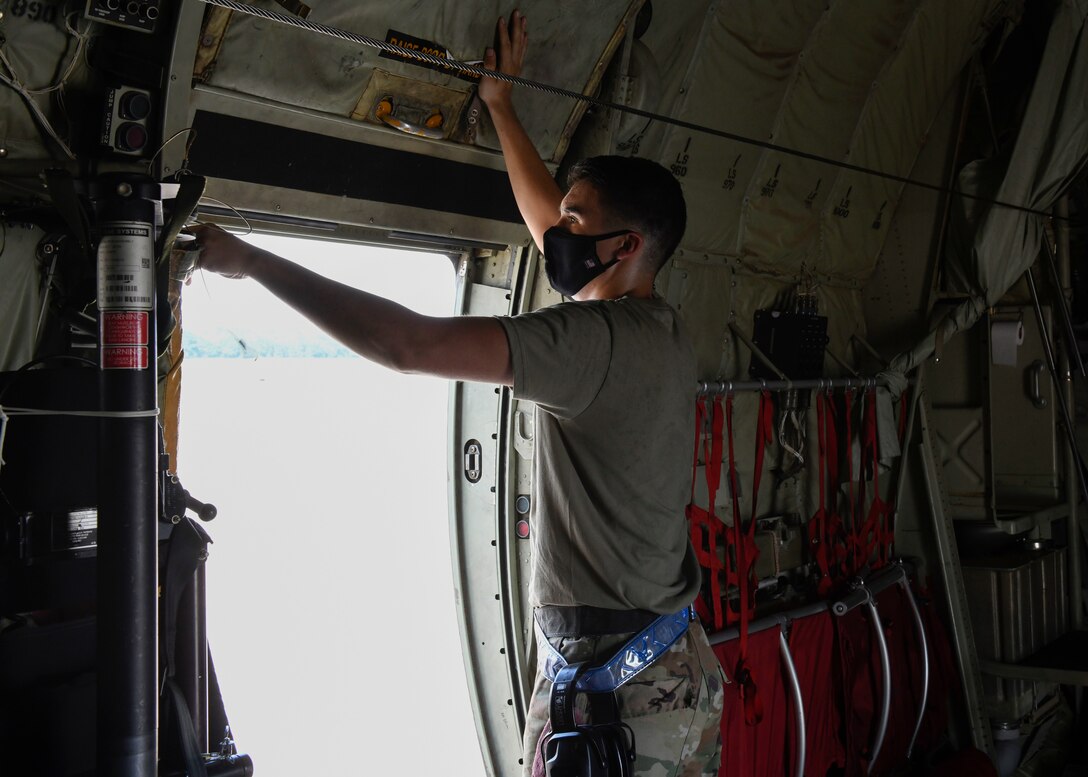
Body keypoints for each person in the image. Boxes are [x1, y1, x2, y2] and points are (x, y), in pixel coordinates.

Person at [191, 10, 723, 776]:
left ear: (626, 247)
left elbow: (407, 344)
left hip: (625, 695)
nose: (558, 240)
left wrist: (255, 262)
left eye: (580, 224)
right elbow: (548, 222)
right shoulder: (657, 329)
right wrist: (501, 108)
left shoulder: (591, 342)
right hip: (664, 670)